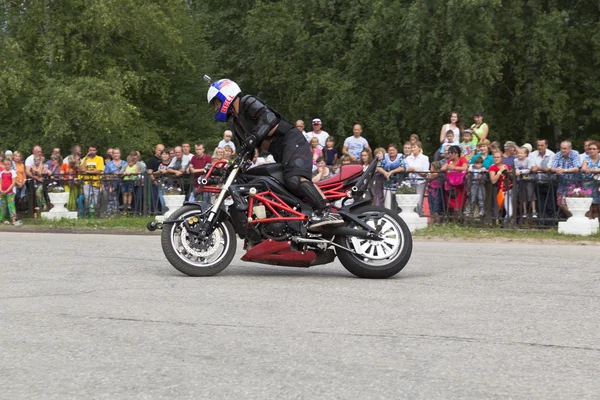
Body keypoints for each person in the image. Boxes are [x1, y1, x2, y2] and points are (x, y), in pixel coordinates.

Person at [207, 78, 343, 229]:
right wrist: (232, 168)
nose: (216, 107)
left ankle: (327, 211)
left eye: (217, 102)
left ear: (226, 94)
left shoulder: (247, 102)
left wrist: (255, 137)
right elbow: (246, 151)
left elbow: (270, 118)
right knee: (276, 186)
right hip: (279, 151)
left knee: (294, 179)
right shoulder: (237, 123)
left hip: (292, 141)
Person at [551, 140, 581, 218]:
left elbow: (577, 168)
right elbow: (552, 167)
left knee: (573, 203)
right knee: (560, 203)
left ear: (570, 148)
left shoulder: (575, 154)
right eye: (561, 148)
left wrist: (564, 170)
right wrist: (557, 170)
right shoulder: (558, 155)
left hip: (574, 184)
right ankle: (574, 218)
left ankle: (575, 219)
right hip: (562, 184)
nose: (563, 150)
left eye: (565, 148)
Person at [529, 139, 556, 224]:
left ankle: (550, 224)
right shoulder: (532, 154)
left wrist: (539, 168)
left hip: (550, 182)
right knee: (540, 204)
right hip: (537, 182)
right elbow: (532, 168)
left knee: (550, 204)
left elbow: (551, 168)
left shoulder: (552, 155)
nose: (540, 147)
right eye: (538, 145)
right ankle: (541, 223)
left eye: (542, 145)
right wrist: (544, 169)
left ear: (546, 145)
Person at [376, 144, 405, 210]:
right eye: (390, 150)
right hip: (387, 182)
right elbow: (378, 167)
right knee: (387, 203)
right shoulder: (385, 157)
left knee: (397, 202)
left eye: (393, 150)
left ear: (396, 150)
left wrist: (391, 172)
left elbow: (403, 167)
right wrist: (385, 173)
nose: (391, 152)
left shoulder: (400, 157)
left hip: (398, 183)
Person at [441, 145, 468, 215]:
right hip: (450, 186)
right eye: (449, 152)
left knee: (458, 206)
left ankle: (459, 220)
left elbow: (464, 168)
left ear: (457, 154)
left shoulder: (462, 159)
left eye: (451, 153)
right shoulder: (449, 161)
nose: (449, 154)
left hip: (459, 187)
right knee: (451, 206)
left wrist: (454, 167)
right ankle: (452, 220)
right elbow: (442, 169)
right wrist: (447, 167)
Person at [404, 141, 430, 215]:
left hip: (420, 182)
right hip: (409, 182)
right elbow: (405, 169)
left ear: (419, 148)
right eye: (412, 147)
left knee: (418, 200)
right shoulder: (408, 158)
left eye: (414, 147)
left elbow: (425, 173)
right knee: (410, 200)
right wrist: (408, 170)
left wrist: (415, 170)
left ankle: (418, 215)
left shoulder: (424, 158)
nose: (412, 149)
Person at [79, 145, 104, 215]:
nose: (92, 151)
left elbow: (98, 170)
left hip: (96, 182)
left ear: (96, 151)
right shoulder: (85, 159)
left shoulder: (100, 159)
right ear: (88, 151)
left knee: (95, 201)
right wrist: (86, 159)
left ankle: (95, 213)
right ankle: (88, 213)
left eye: (93, 150)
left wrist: (87, 172)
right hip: (86, 182)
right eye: (90, 150)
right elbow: (81, 170)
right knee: (87, 198)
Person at [489, 151, 513, 221]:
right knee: (498, 210)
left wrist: (508, 171)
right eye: (495, 157)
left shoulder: (506, 166)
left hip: (508, 190)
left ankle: (505, 223)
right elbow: (493, 181)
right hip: (498, 191)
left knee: (509, 211)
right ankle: (499, 223)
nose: (496, 159)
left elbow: (511, 178)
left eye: (498, 157)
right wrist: (500, 171)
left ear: (502, 158)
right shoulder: (492, 168)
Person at [514, 147, 536, 219]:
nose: (519, 154)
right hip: (521, 180)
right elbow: (516, 168)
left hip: (529, 179)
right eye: (518, 153)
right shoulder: (515, 160)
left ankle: (534, 211)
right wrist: (517, 170)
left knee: (531, 195)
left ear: (526, 154)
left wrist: (520, 171)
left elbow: (529, 170)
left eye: (521, 153)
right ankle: (525, 212)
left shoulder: (529, 160)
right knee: (523, 196)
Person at [581, 140, 600, 219]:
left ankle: (596, 222)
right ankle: (588, 223)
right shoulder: (586, 158)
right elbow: (583, 169)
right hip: (587, 184)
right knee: (588, 205)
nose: (592, 150)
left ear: (598, 150)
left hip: (597, 184)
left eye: (594, 149)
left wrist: (592, 170)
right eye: (590, 149)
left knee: (596, 205)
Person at [0, 158, 22, 226]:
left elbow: (13, 183)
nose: (7, 166)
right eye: (6, 164)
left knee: (11, 205)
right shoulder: (2, 173)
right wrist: (1, 190)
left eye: (8, 164)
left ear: (11, 165)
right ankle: (1, 218)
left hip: (10, 192)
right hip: (2, 192)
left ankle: (13, 219)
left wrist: (7, 190)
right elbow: (0, 182)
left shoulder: (12, 172)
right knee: (2, 205)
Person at [104, 148, 125, 216]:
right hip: (111, 185)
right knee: (111, 200)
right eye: (115, 153)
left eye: (117, 153)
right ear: (112, 155)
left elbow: (129, 173)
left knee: (122, 199)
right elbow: (105, 175)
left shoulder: (124, 163)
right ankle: (111, 214)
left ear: (120, 154)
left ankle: (123, 213)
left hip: (123, 185)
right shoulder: (109, 164)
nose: (116, 155)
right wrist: (113, 175)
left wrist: (121, 171)